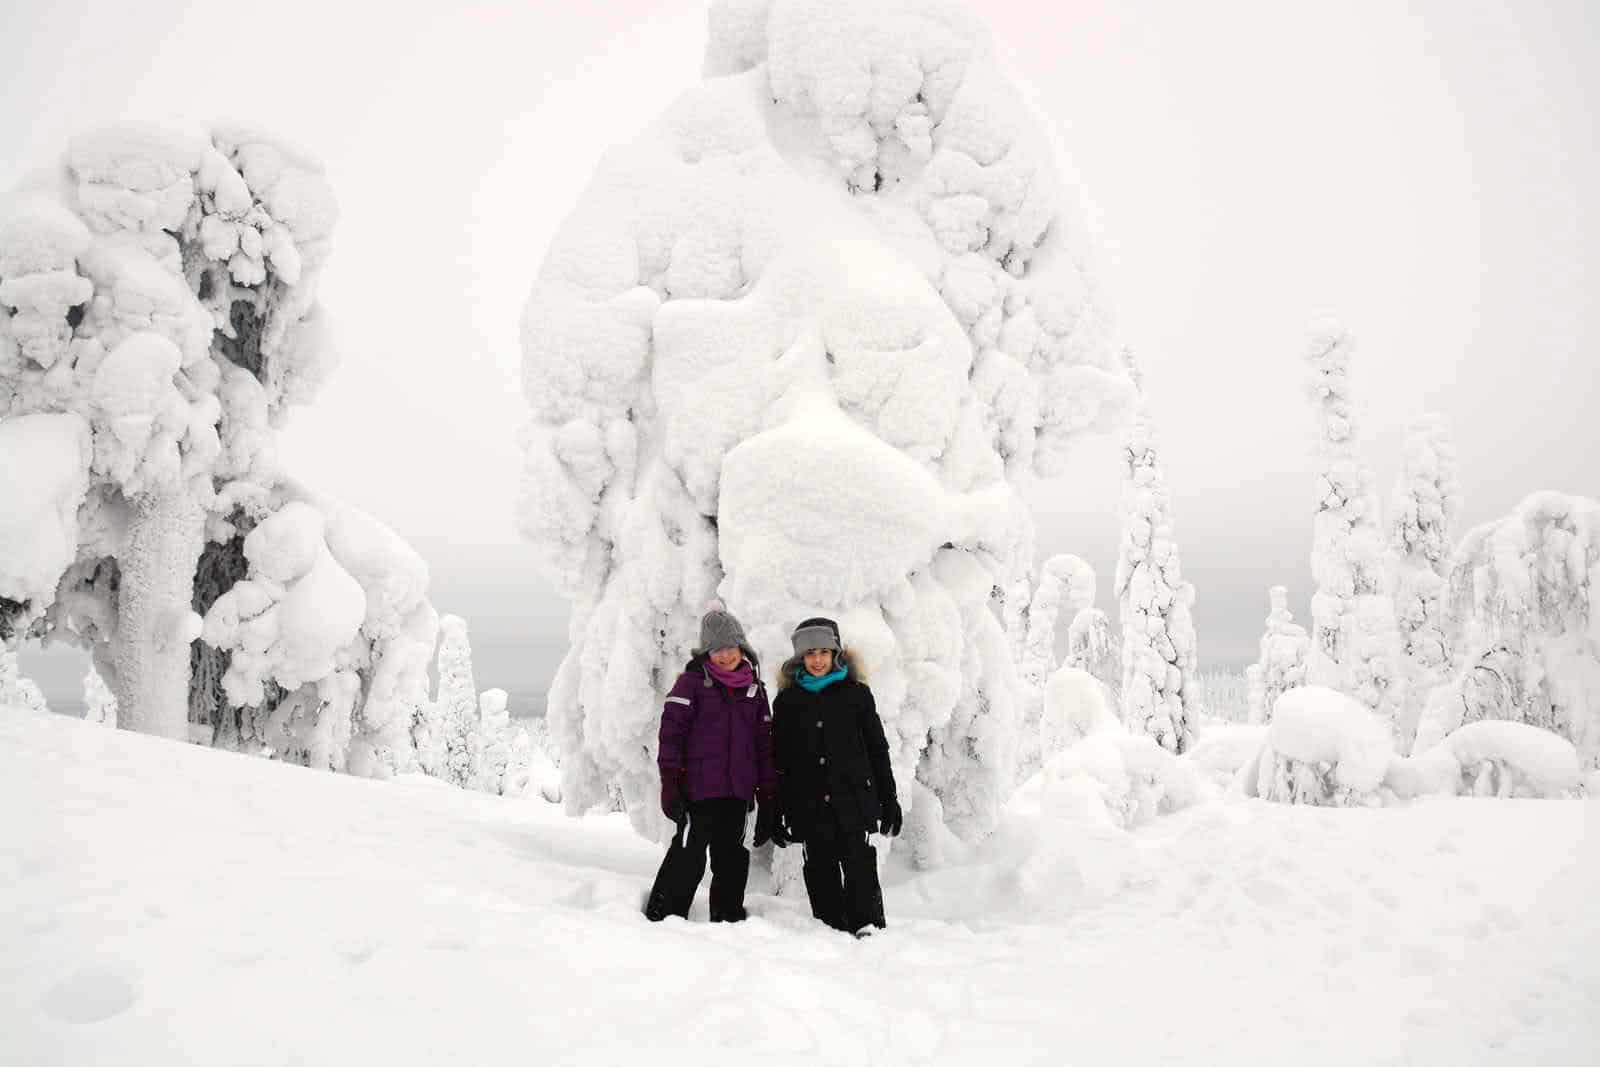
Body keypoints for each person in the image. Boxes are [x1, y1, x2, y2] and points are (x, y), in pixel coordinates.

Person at [645, 603, 779, 923]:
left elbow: (764, 746)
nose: (725, 655)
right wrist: (671, 785)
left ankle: (728, 917)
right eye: (716, 649)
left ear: (741, 647)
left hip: (738, 793)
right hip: (698, 792)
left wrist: (768, 795)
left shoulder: (754, 690)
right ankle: (664, 915)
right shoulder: (690, 684)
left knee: (732, 857)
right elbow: (671, 738)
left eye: (730, 647)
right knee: (689, 854)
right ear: (706, 652)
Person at [771, 616, 901, 937]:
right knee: (819, 872)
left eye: (824, 653)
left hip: (854, 801)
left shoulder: (856, 695)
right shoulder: (788, 702)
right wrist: (775, 811)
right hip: (809, 806)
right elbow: (779, 762)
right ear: (800, 657)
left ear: (835, 654)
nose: (817, 660)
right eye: (810, 653)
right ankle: (831, 937)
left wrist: (889, 801)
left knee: (860, 868)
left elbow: (877, 751)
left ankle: (868, 932)